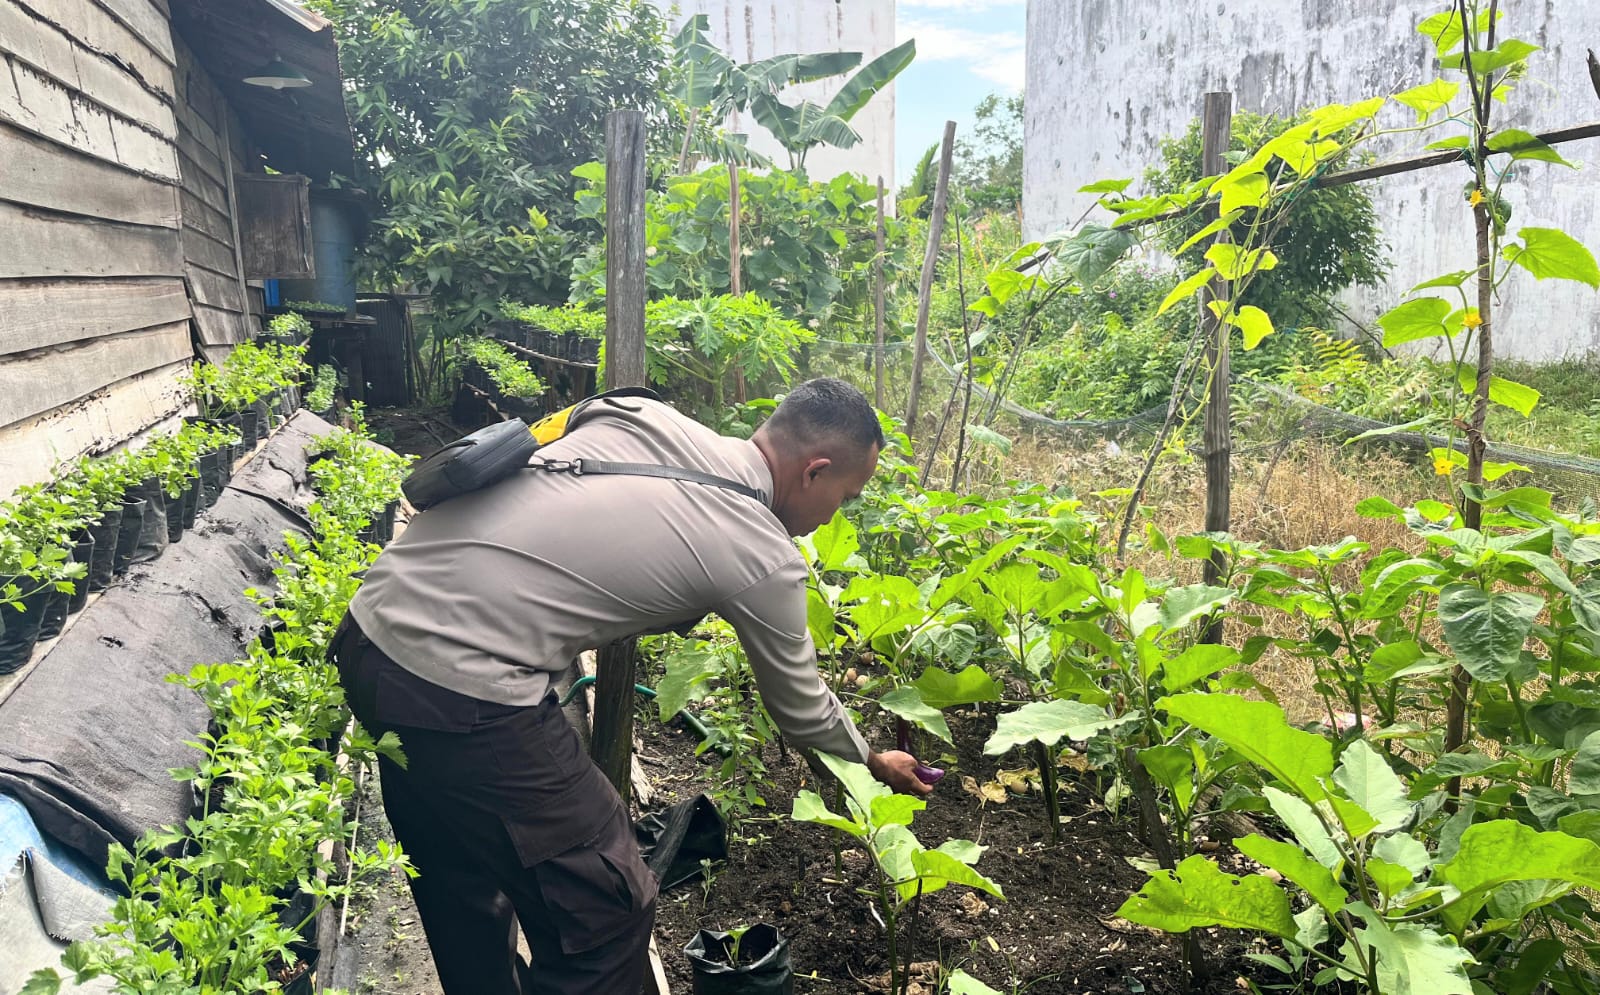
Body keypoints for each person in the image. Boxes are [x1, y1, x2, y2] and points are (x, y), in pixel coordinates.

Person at [329, 377, 934, 995]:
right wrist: (872, 758)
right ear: (816, 471)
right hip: (464, 690)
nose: (840, 511)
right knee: (607, 910)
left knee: (461, 878)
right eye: (847, 496)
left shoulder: (641, 413)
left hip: (370, 631)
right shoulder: (762, 551)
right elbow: (801, 708)